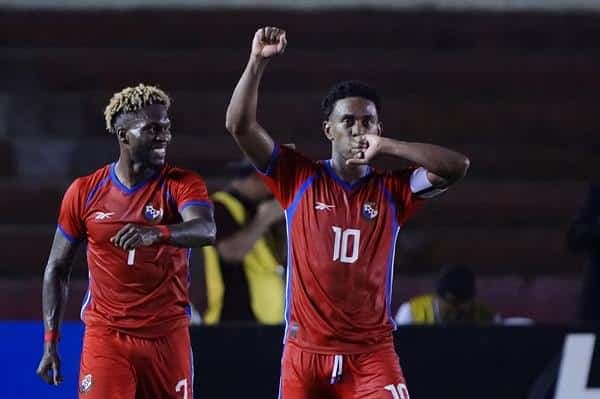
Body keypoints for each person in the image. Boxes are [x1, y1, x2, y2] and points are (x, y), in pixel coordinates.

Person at [225, 27, 470, 399]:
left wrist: (389, 146)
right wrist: (257, 62)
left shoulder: (393, 189)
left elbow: (456, 166)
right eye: (348, 122)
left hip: (371, 356)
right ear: (329, 130)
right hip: (305, 355)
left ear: (379, 128)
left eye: (368, 122)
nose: (359, 130)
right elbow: (239, 126)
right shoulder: (298, 176)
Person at [35, 84, 216, 399]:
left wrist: (156, 232)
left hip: (167, 337)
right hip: (108, 336)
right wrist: (51, 341)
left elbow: (206, 230)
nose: (164, 136)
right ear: (123, 136)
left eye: (167, 128)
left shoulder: (181, 184)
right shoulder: (85, 192)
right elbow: (57, 267)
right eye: (152, 129)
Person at [202, 158, 286, 325]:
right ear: (256, 178)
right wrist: (265, 218)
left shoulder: (257, 208)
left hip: (267, 322)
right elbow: (231, 252)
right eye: (271, 183)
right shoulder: (218, 207)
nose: (272, 191)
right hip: (233, 322)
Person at [394, 264, 497, 325]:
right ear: (436, 297)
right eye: (451, 303)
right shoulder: (411, 313)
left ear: (472, 301)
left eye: (460, 304)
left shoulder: (487, 318)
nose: (454, 310)